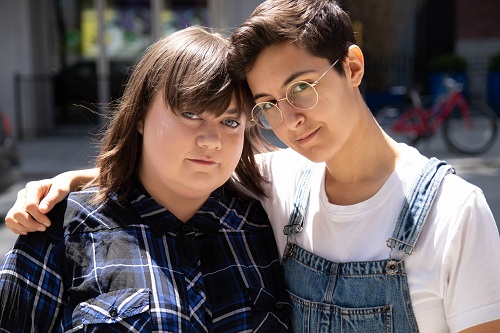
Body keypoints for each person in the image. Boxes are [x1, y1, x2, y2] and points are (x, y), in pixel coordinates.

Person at [5, 1, 500, 332]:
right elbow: (176, 171)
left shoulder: (452, 211)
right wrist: (67, 187)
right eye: (267, 104)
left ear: (352, 67)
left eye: (301, 87)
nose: (289, 120)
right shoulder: (280, 187)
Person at [0, 26, 292, 332]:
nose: (211, 140)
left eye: (230, 121)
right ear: (140, 116)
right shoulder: (60, 228)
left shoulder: (264, 222)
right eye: (191, 114)